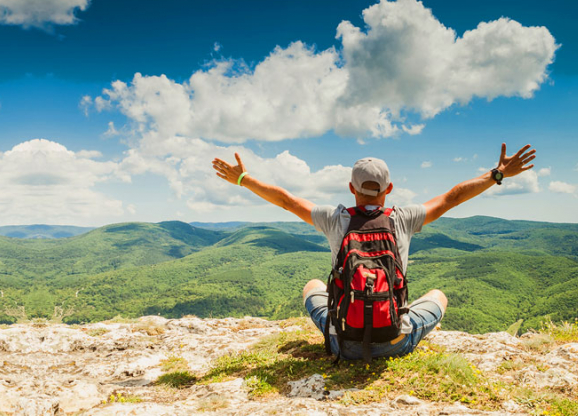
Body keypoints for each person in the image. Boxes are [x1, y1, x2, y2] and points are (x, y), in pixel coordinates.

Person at [212, 143, 535, 360]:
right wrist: (497, 174)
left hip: (342, 344)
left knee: (312, 286)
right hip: (395, 341)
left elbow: (286, 200)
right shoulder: (404, 218)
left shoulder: (334, 218)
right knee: (438, 294)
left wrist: (243, 178)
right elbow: (452, 197)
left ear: (352, 188)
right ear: (389, 190)